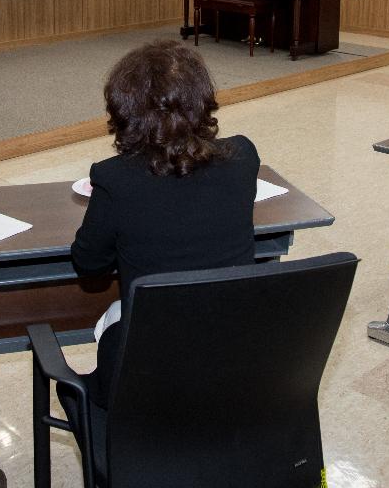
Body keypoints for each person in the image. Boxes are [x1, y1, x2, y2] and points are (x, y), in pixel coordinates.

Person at [70, 40, 260, 403]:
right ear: (201, 100)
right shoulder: (244, 156)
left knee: (111, 319)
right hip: (231, 363)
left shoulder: (114, 179)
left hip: (145, 381)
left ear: (124, 110)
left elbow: (90, 263)